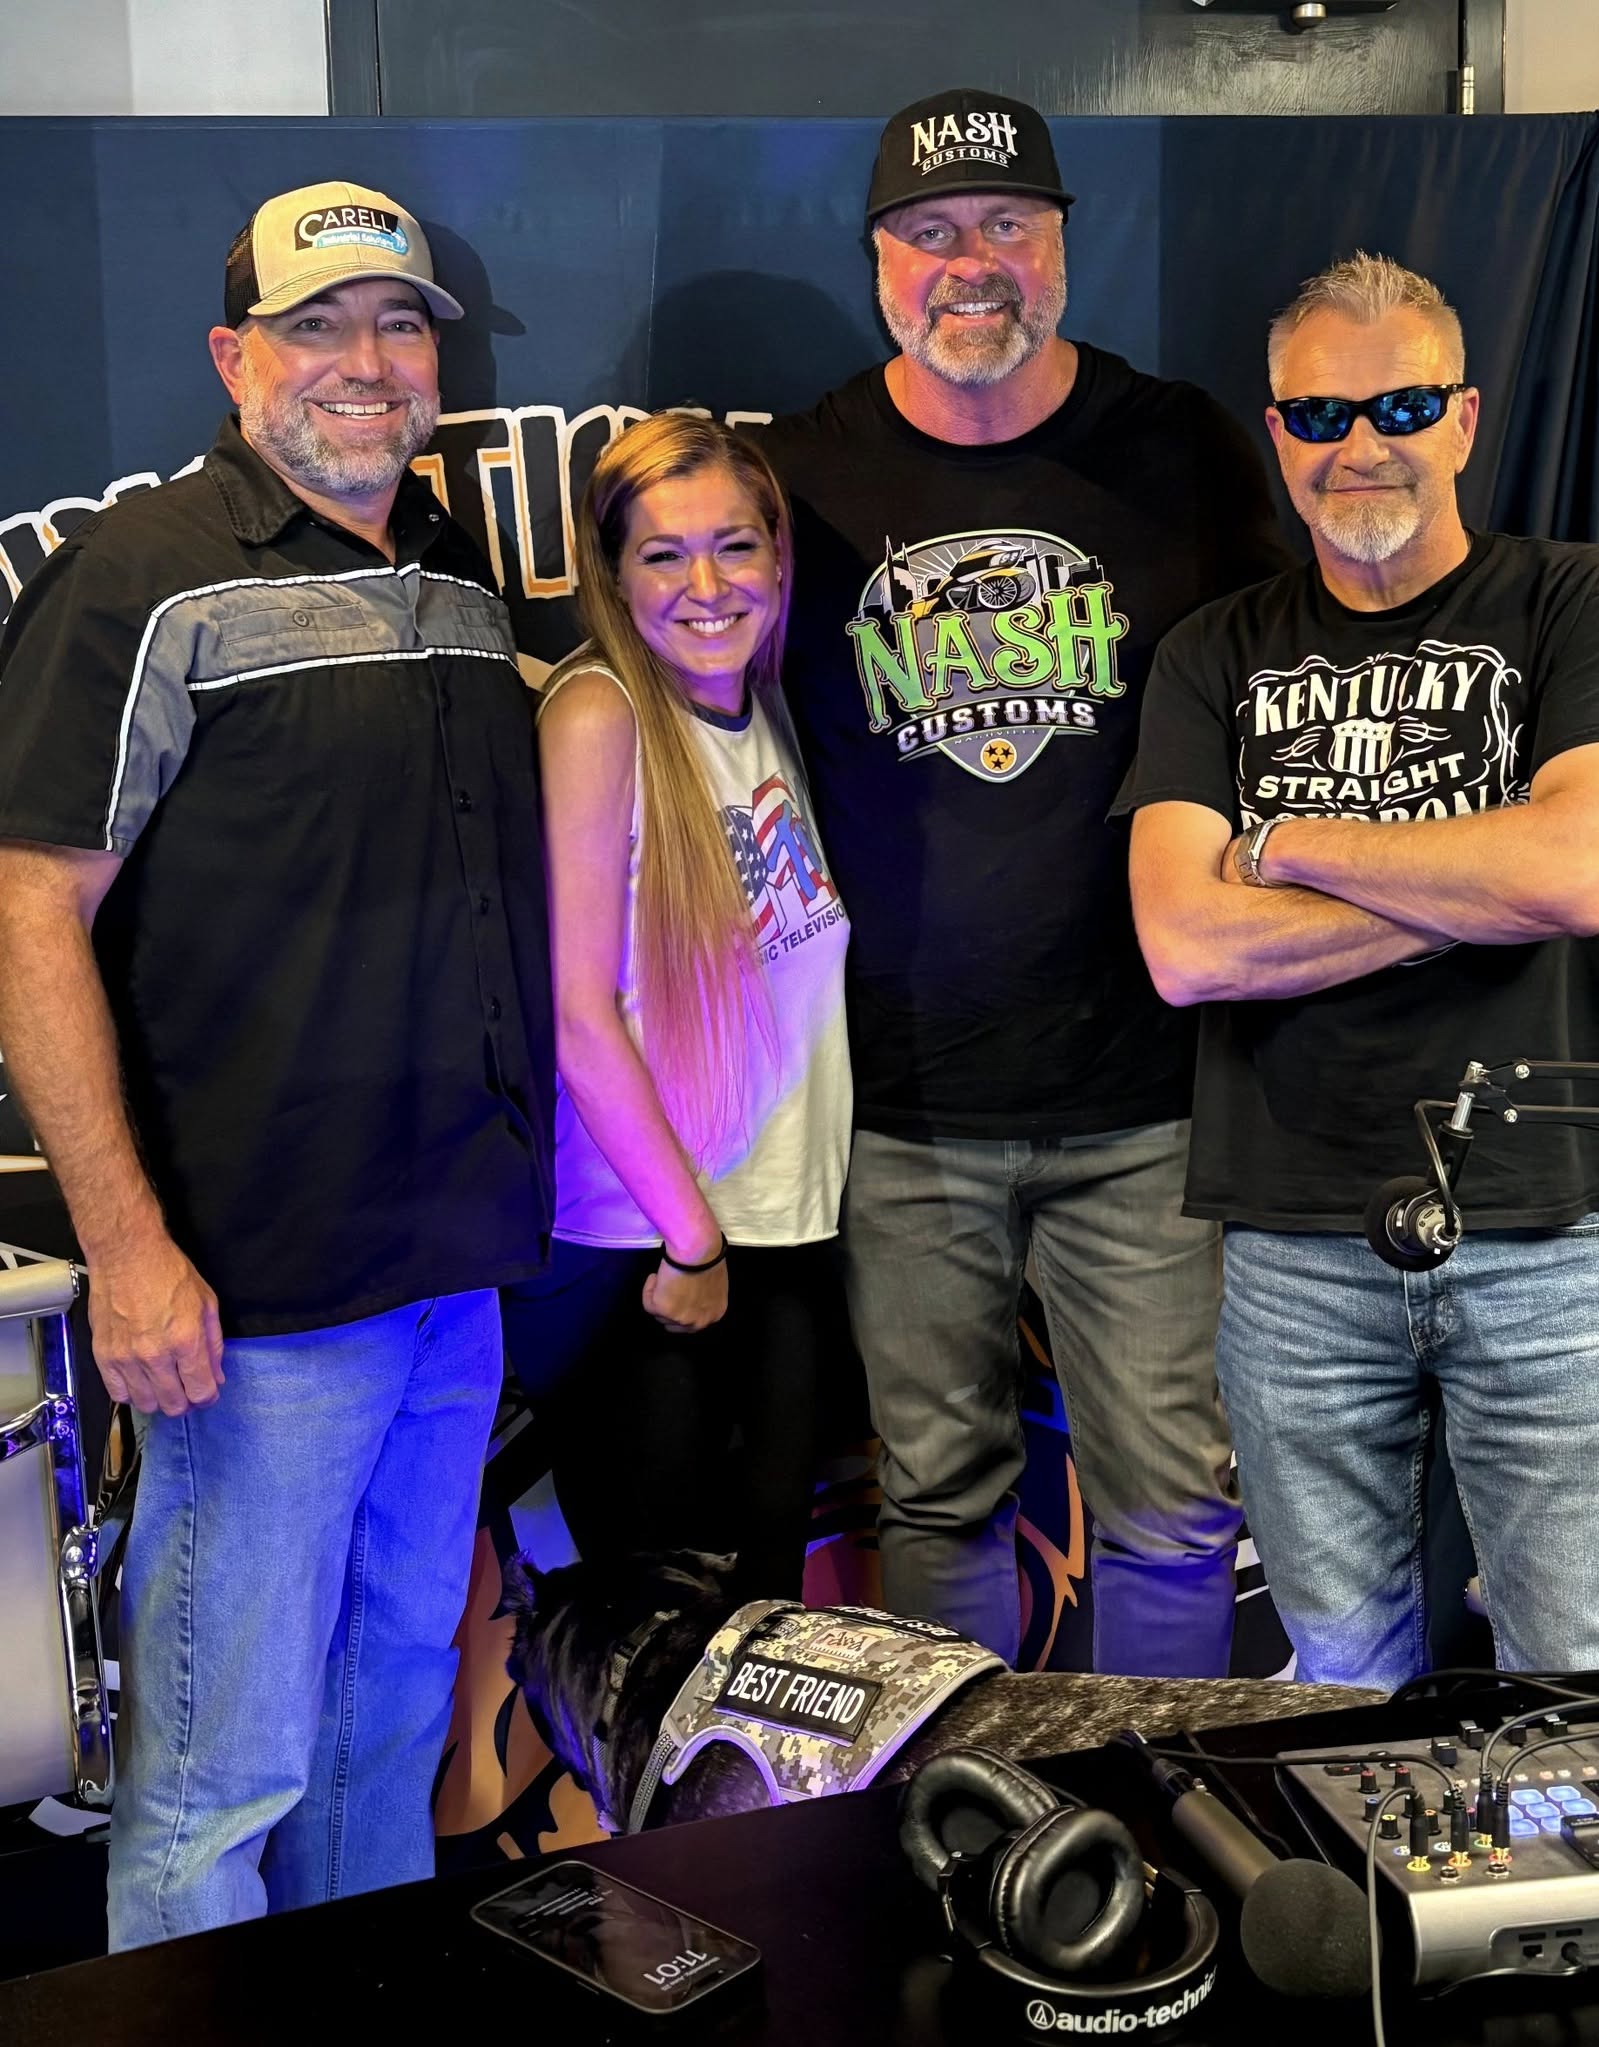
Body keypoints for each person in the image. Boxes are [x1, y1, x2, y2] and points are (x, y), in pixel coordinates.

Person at [0, 181, 554, 1946]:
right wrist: (129, 1248)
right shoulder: (141, 575)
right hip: (254, 1299)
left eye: (397, 326)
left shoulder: (455, 576)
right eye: (315, 326)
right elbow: (28, 912)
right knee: (216, 1778)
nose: (364, 362)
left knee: (386, 1723)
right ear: (234, 356)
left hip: (450, 1279)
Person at [753, 88, 1293, 1677]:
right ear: (877, 260)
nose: (968, 262)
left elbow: (1292, 692)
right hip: (903, 1096)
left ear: (1060, 241)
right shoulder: (798, 475)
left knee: (1173, 1505)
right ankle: (966, 1806)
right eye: (928, 232)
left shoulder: (1179, 444)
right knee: (936, 1496)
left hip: (1146, 1092)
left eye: (1004, 223)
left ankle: (1155, 1808)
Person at [1119, 251, 1599, 1688]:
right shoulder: (1210, 654)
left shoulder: (1581, 600)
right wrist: (1474, 889)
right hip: (1292, 1239)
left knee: (1583, 1676)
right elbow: (1183, 947)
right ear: (1277, 436)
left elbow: (1577, 873)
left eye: (1402, 405)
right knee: (1339, 1677)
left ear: (1462, 419)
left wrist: (1288, 843)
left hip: (1551, 1231)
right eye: (1318, 416)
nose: (1359, 443)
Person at [500, 413, 850, 1603]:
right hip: (649, 1255)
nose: (706, 587)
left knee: (760, 1620)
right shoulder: (600, 714)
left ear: (777, 555)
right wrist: (690, 1240)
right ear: (612, 576)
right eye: (663, 555)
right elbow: (577, 1014)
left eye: (733, 545)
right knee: (667, 1636)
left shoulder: (762, 706)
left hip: (776, 1231)